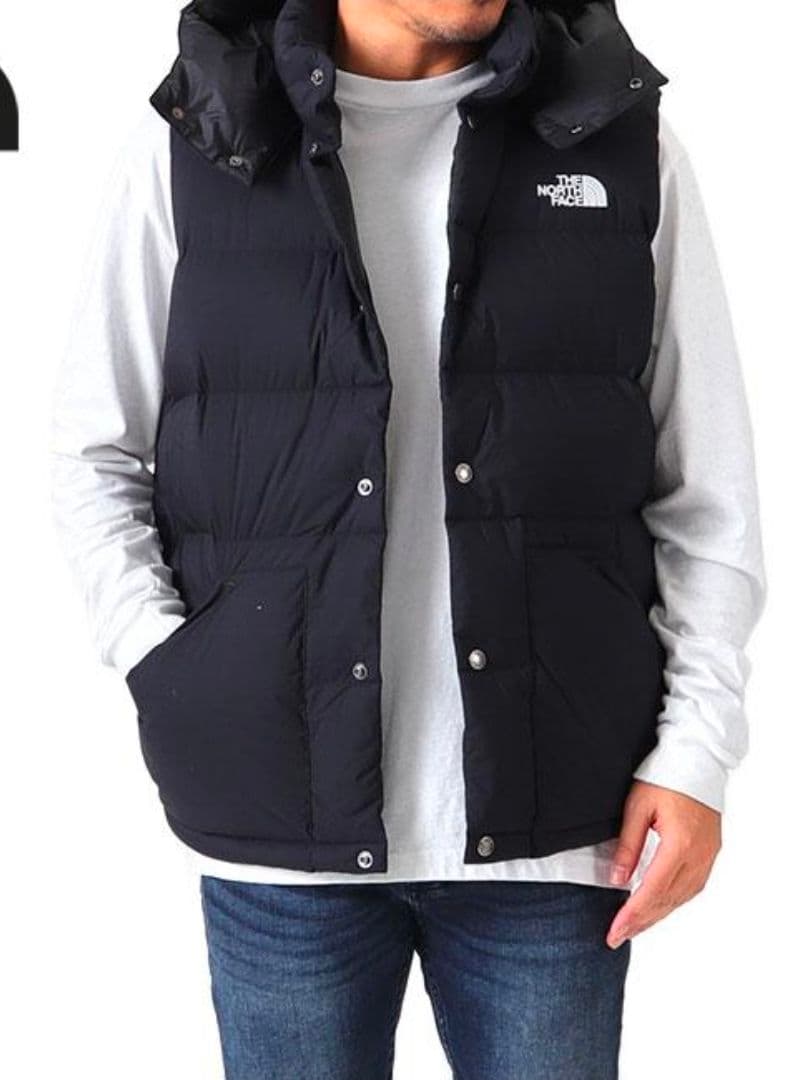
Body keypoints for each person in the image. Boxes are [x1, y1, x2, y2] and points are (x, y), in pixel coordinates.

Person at [50, 1, 766, 1076]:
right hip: (278, 829)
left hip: (557, 823)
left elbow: (706, 485)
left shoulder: (619, 142)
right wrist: (172, 662)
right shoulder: (198, 141)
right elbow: (93, 451)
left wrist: (697, 752)